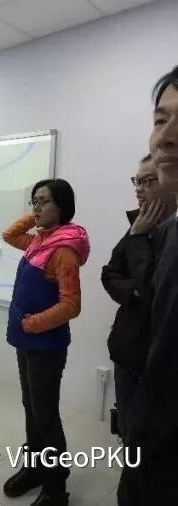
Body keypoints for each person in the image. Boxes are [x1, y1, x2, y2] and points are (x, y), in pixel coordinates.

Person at [0, 179, 89, 506]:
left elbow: (71, 305)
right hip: (26, 342)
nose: (36, 208)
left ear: (61, 207)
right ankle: (34, 469)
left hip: (47, 346)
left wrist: (34, 323)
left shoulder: (63, 251)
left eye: (43, 201)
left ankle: (55, 488)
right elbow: (9, 235)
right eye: (33, 201)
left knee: (46, 416)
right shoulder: (39, 241)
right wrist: (36, 217)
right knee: (31, 408)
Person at [118, 65, 178, 505]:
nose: (166, 137)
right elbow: (112, 275)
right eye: (161, 119)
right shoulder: (156, 229)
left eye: (147, 181)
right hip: (133, 355)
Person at [101, 155, 175, 444]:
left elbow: (157, 291)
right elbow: (109, 273)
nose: (138, 189)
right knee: (127, 431)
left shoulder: (165, 231)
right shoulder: (138, 226)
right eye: (137, 181)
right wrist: (135, 293)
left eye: (147, 181)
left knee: (152, 444)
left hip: (159, 363)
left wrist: (138, 237)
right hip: (128, 350)